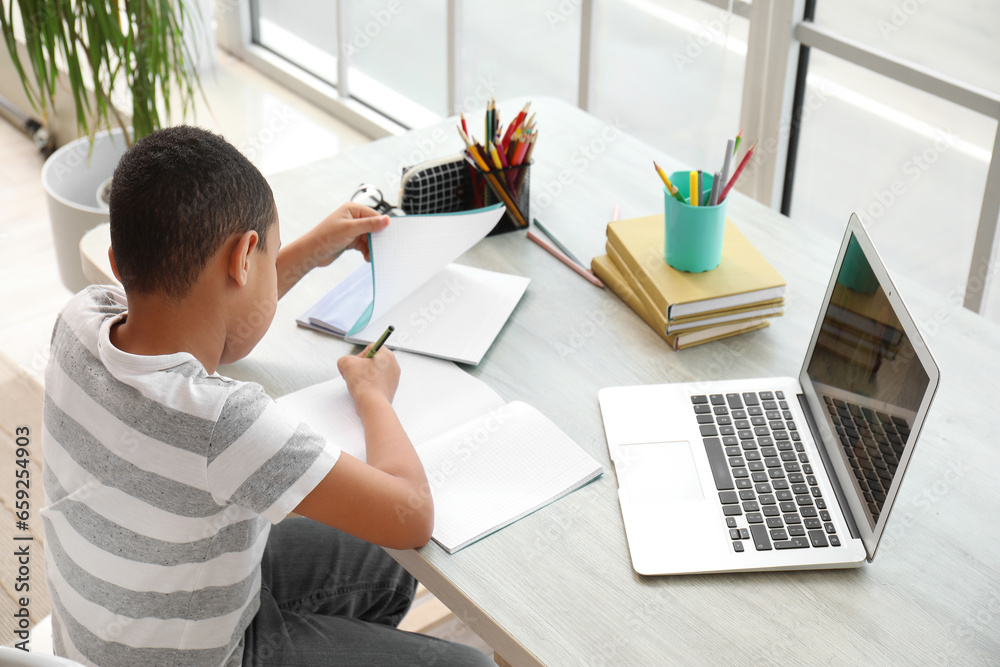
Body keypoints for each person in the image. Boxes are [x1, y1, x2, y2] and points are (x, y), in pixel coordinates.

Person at [40, 126, 494, 666]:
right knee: (470, 663)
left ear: (118, 264)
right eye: (268, 252)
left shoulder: (79, 319)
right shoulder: (225, 423)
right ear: (244, 257)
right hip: (204, 656)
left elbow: (195, 323)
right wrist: (374, 394)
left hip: (108, 632)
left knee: (387, 567)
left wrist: (306, 251)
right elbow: (412, 514)